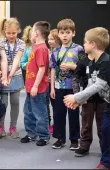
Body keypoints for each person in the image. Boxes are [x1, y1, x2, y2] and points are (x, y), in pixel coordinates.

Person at [63, 27, 109, 169]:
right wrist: (80, 100)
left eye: (86, 42)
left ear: (93, 44)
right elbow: (91, 84)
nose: (83, 45)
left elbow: (99, 86)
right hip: (107, 103)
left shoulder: (106, 62)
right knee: (106, 131)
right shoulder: (94, 61)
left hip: (105, 101)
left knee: (106, 131)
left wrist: (75, 97)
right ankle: (106, 162)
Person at [50, 19, 84, 150]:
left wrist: (71, 66)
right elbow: (52, 69)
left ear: (73, 33)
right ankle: (60, 138)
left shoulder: (78, 49)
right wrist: (52, 87)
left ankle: (74, 140)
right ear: (58, 34)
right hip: (58, 87)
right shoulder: (55, 51)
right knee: (58, 113)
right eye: (62, 32)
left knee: (73, 114)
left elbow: (82, 67)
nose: (64, 35)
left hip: (73, 87)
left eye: (68, 32)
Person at [21, 21, 51, 146]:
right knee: (28, 111)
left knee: (40, 112)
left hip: (38, 88)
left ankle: (43, 136)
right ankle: (31, 133)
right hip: (30, 87)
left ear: (37, 33)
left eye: (33, 31)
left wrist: (35, 86)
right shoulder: (35, 47)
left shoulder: (42, 49)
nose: (31, 33)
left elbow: (42, 69)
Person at [0, 18, 25, 138]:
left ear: (18, 31)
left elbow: (17, 60)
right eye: (8, 33)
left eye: (13, 33)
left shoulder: (21, 43)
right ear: (4, 31)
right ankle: (1, 126)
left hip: (15, 75)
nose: (11, 35)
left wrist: (10, 75)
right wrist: (4, 77)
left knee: (15, 102)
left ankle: (13, 126)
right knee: (3, 103)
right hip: (3, 75)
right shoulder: (1, 43)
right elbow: (3, 60)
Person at [47, 29, 61, 134]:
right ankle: (51, 123)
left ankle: (57, 125)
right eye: (48, 39)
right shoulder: (50, 51)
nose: (49, 41)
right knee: (50, 104)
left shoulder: (60, 51)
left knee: (57, 106)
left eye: (52, 39)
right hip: (49, 82)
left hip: (59, 83)